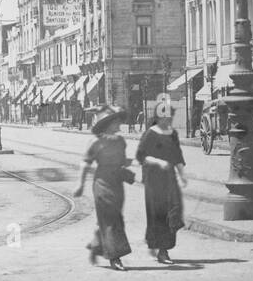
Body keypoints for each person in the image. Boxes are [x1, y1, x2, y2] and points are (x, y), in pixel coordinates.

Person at [73, 105, 133, 271]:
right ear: (107, 124)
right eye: (116, 122)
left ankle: (96, 246)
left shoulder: (121, 141)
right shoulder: (95, 142)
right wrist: (80, 184)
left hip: (117, 183)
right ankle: (115, 257)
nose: (119, 124)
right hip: (102, 184)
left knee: (112, 218)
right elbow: (85, 163)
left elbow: (121, 160)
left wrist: (127, 162)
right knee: (112, 219)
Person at [136, 105, 187, 264]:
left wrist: (182, 175)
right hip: (154, 179)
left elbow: (178, 156)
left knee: (174, 209)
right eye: (165, 117)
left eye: (170, 117)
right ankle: (162, 251)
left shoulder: (173, 134)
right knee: (158, 213)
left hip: (169, 177)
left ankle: (157, 242)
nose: (168, 119)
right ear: (158, 118)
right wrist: (159, 162)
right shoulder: (150, 134)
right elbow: (141, 156)